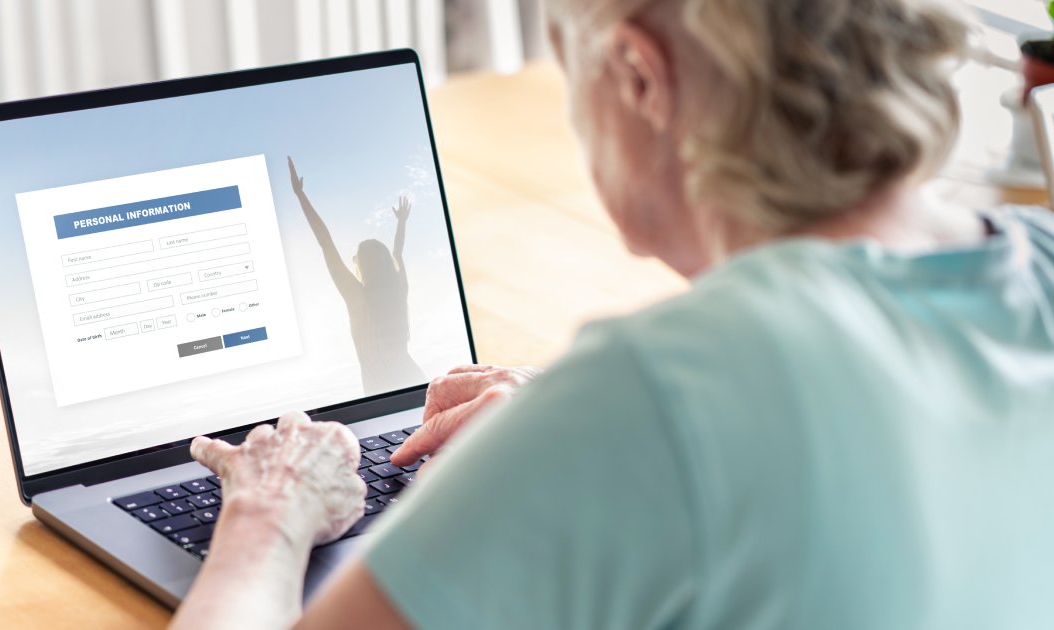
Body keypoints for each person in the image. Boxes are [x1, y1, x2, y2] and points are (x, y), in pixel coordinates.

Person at [173, 0, 1054, 627]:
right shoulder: (1037, 266)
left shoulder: (657, 391)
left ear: (638, 74)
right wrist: (570, 436)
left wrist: (267, 514)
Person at [287, 156, 425, 395]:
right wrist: (401, 222)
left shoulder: (357, 298)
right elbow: (397, 252)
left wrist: (300, 196)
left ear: (363, 265)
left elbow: (325, 242)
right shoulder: (398, 290)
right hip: (415, 381)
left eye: (356, 258)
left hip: (382, 390)